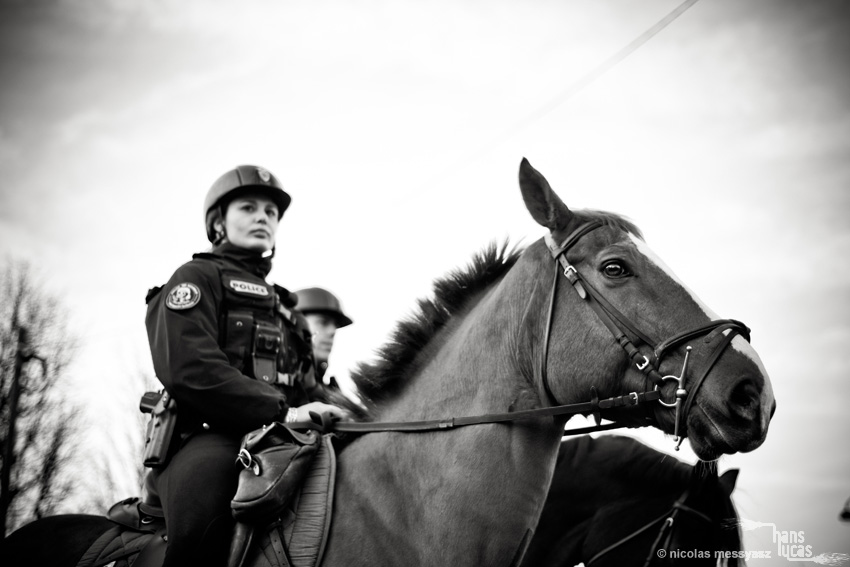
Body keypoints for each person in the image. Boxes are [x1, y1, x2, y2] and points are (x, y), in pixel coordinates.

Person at [144, 165, 346, 567]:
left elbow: (308, 387)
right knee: (204, 526)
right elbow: (190, 369)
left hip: (285, 439)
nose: (262, 218)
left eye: (270, 213)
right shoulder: (195, 277)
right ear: (218, 222)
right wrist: (280, 410)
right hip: (208, 440)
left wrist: (348, 414)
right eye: (249, 208)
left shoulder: (287, 308)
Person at [293, 287, 353, 384]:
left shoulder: (327, 391)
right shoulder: (267, 386)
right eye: (323, 322)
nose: (332, 331)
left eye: (336, 325)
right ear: (293, 323)